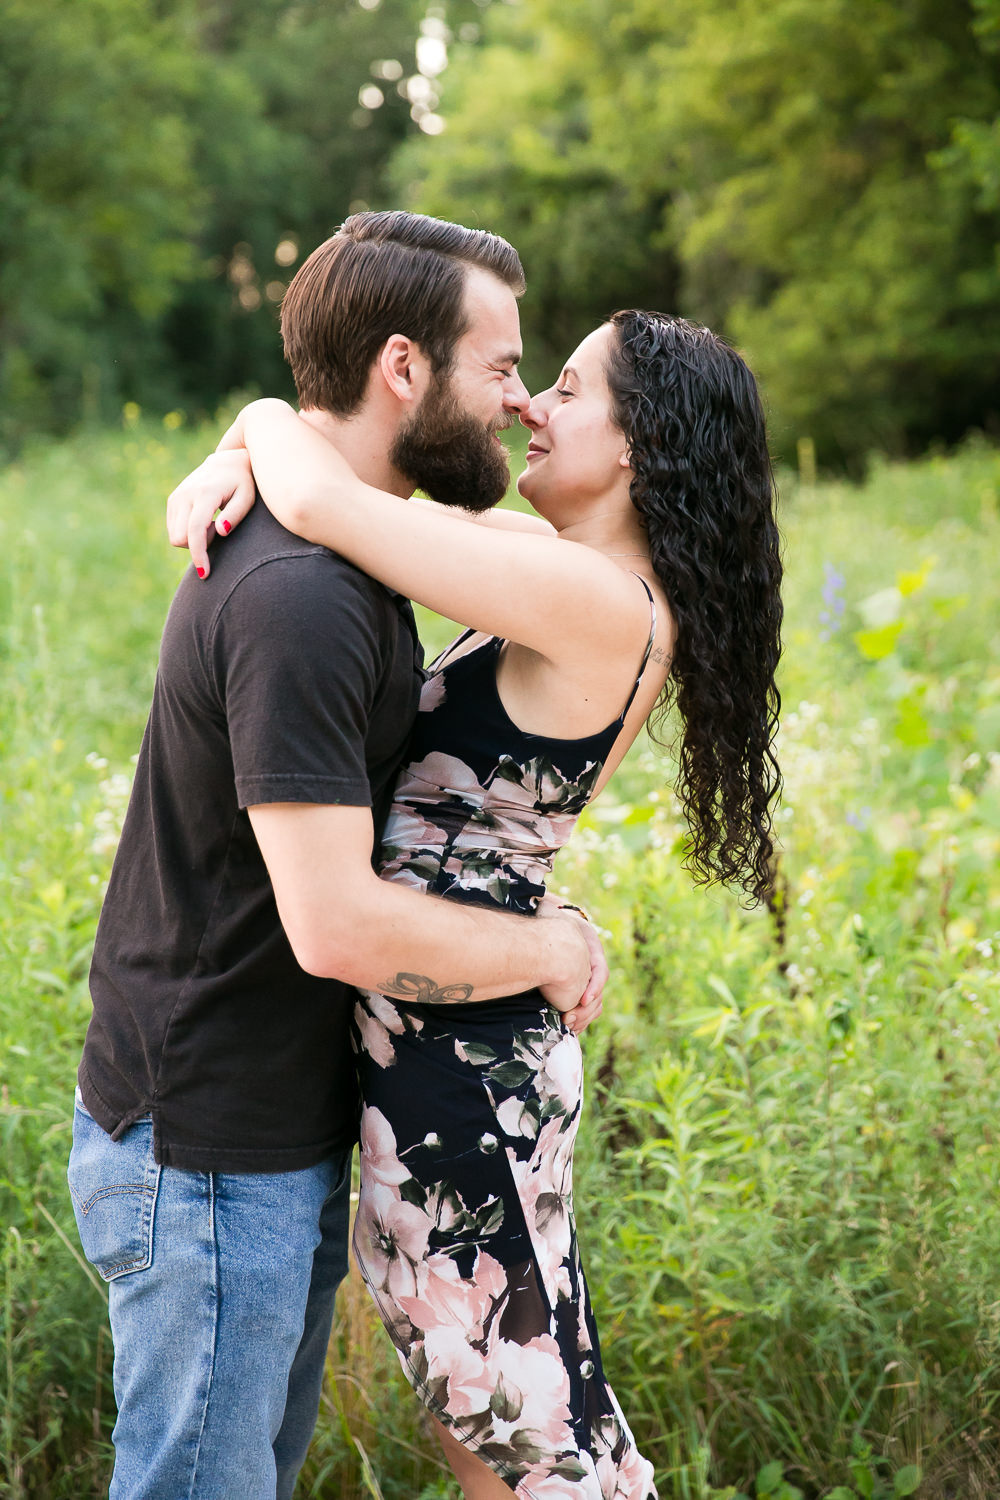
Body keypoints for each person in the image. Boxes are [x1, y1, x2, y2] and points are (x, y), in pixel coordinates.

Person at [168, 304, 783, 1498]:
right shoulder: (574, 576)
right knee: (531, 1410)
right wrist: (242, 458)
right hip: (466, 1044)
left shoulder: (593, 601)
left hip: (464, 1065)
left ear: (641, 445)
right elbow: (361, 498)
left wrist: (251, 418)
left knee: (512, 1436)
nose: (527, 407)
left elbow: (335, 505)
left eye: (565, 389)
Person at [67, 211, 608, 1500]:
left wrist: (257, 424)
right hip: (207, 1146)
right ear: (405, 370)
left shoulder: (347, 542)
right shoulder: (300, 593)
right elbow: (337, 928)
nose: (517, 401)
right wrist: (544, 947)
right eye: (499, 367)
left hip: (259, 1128)